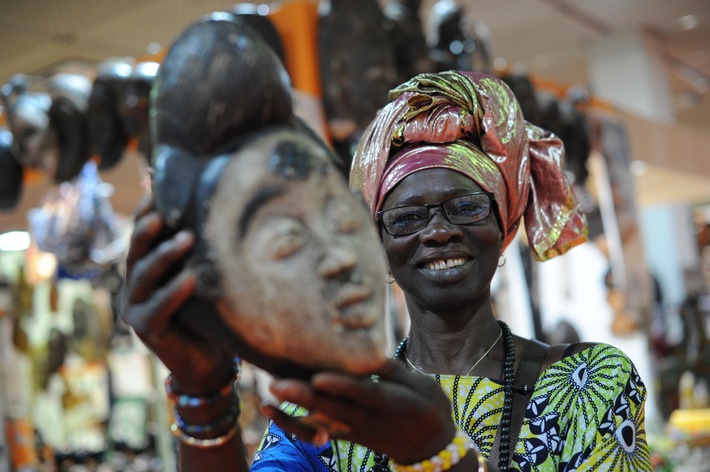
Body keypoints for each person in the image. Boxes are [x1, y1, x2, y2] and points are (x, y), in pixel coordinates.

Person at [121, 70, 651, 471]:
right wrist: (202, 391)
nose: (438, 231)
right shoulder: (338, 406)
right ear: (379, 246)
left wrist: (436, 456)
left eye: (465, 207)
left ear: (504, 225)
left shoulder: (589, 383)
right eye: (406, 218)